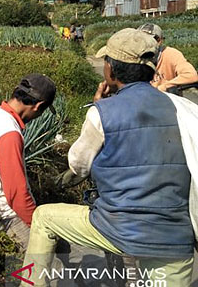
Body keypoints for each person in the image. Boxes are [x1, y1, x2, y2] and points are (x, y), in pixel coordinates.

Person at [21, 28, 196, 286]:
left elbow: (78, 165)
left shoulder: (102, 112)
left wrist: (98, 107)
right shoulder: (186, 108)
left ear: (110, 71)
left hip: (120, 227)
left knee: (44, 218)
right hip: (174, 238)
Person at [0, 74, 56, 251]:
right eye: (42, 111)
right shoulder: (9, 134)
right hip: (6, 216)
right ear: (38, 106)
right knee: (50, 264)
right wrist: (38, 226)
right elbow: (17, 195)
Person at [137, 23, 198, 93]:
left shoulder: (171, 54)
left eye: (147, 40)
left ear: (159, 41)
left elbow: (191, 75)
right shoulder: (132, 56)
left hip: (167, 98)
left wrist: (164, 87)